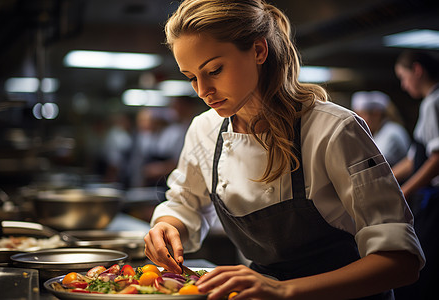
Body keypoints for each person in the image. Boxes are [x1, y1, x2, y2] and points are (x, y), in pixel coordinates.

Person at [144, 1, 425, 299]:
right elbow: (185, 204)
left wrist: (282, 289)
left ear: (258, 51)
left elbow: (401, 261)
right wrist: (167, 225)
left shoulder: (334, 129)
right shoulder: (205, 130)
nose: (202, 90)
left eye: (214, 70)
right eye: (191, 77)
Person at [392, 50, 439, 300]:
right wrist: (383, 177)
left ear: (417, 70)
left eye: (404, 76)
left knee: (426, 262)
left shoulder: (434, 101)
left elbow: (437, 159)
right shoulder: (428, 102)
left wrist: (403, 191)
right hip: (428, 200)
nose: (403, 84)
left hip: (434, 199)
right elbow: (413, 159)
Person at [351, 90, 410, 166]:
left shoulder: (392, 133)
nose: (356, 120)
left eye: (360, 115)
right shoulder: (377, 132)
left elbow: (374, 165)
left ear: (376, 114)